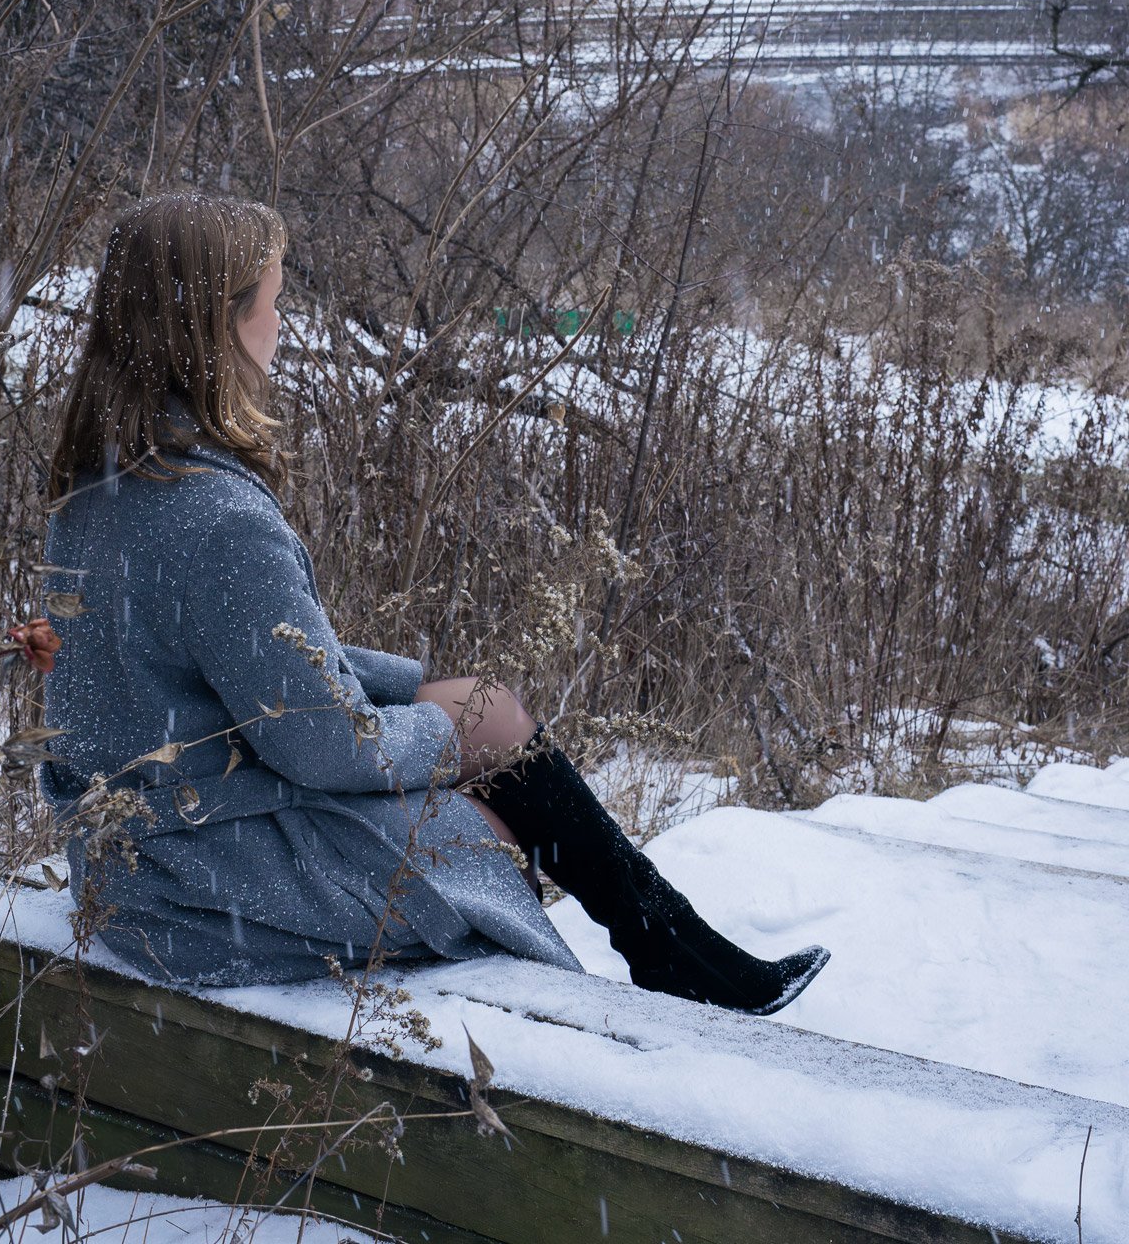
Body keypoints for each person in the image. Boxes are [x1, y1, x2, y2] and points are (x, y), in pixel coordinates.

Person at [42, 191, 828, 1011]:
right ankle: (661, 966)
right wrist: (450, 740)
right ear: (218, 325)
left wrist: (413, 695)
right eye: (275, 304)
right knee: (484, 831)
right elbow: (318, 751)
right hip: (200, 882)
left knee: (486, 709)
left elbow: (221, 674)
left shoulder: (102, 485)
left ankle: (672, 949)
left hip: (137, 855)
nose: (282, 326)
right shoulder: (218, 517)